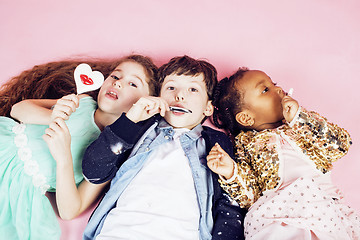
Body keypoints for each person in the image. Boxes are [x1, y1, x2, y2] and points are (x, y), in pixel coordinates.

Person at [82, 55, 246, 240]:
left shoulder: (216, 143)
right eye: (171, 87)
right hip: (119, 232)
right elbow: (93, 170)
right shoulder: (139, 128)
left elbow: (230, 205)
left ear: (208, 108)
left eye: (193, 89)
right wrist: (130, 119)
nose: (179, 95)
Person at [0, 54, 158, 240]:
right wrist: (52, 116)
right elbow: (17, 110)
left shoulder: (109, 157)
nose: (117, 83)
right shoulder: (81, 102)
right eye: (115, 76)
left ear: (144, 104)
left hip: (13, 189)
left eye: (133, 84)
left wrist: (64, 159)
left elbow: (69, 211)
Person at [206, 68, 360, 239]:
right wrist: (231, 173)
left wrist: (298, 118)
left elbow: (341, 145)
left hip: (321, 204)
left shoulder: (300, 124)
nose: (278, 90)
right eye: (265, 90)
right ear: (246, 118)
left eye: (275, 84)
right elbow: (250, 196)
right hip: (277, 211)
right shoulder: (245, 144)